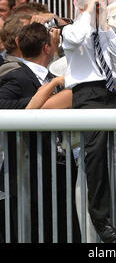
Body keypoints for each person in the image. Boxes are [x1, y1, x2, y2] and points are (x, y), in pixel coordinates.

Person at [0, 22, 81, 242]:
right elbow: (2, 105)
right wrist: (46, 102)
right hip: (29, 172)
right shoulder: (17, 75)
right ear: (47, 48)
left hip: (58, 169)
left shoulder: (51, 73)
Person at [61, 0, 116, 243]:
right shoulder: (71, 29)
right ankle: (99, 216)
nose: (101, 7)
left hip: (112, 91)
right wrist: (88, 11)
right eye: (97, 3)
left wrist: (107, 27)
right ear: (80, 5)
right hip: (87, 93)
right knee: (95, 152)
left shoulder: (102, 30)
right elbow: (75, 39)